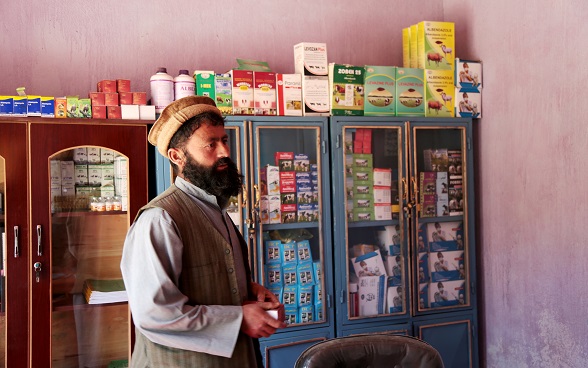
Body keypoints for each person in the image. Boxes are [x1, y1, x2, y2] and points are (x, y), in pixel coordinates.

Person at [120, 96, 285, 368]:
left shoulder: (214, 207)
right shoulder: (160, 219)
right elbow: (155, 313)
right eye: (211, 144)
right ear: (177, 156)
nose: (224, 152)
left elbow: (208, 278)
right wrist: (239, 318)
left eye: (224, 141)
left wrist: (248, 290)